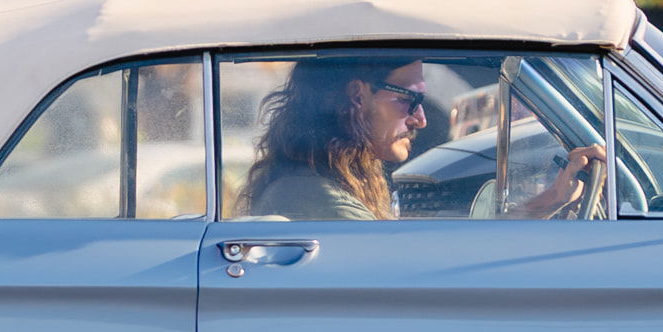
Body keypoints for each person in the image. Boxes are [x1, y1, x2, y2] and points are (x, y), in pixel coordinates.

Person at [240, 56, 601, 222]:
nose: (421, 119)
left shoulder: (317, 183)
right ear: (358, 96)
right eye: (409, 99)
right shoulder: (321, 204)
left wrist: (551, 199)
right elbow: (421, 276)